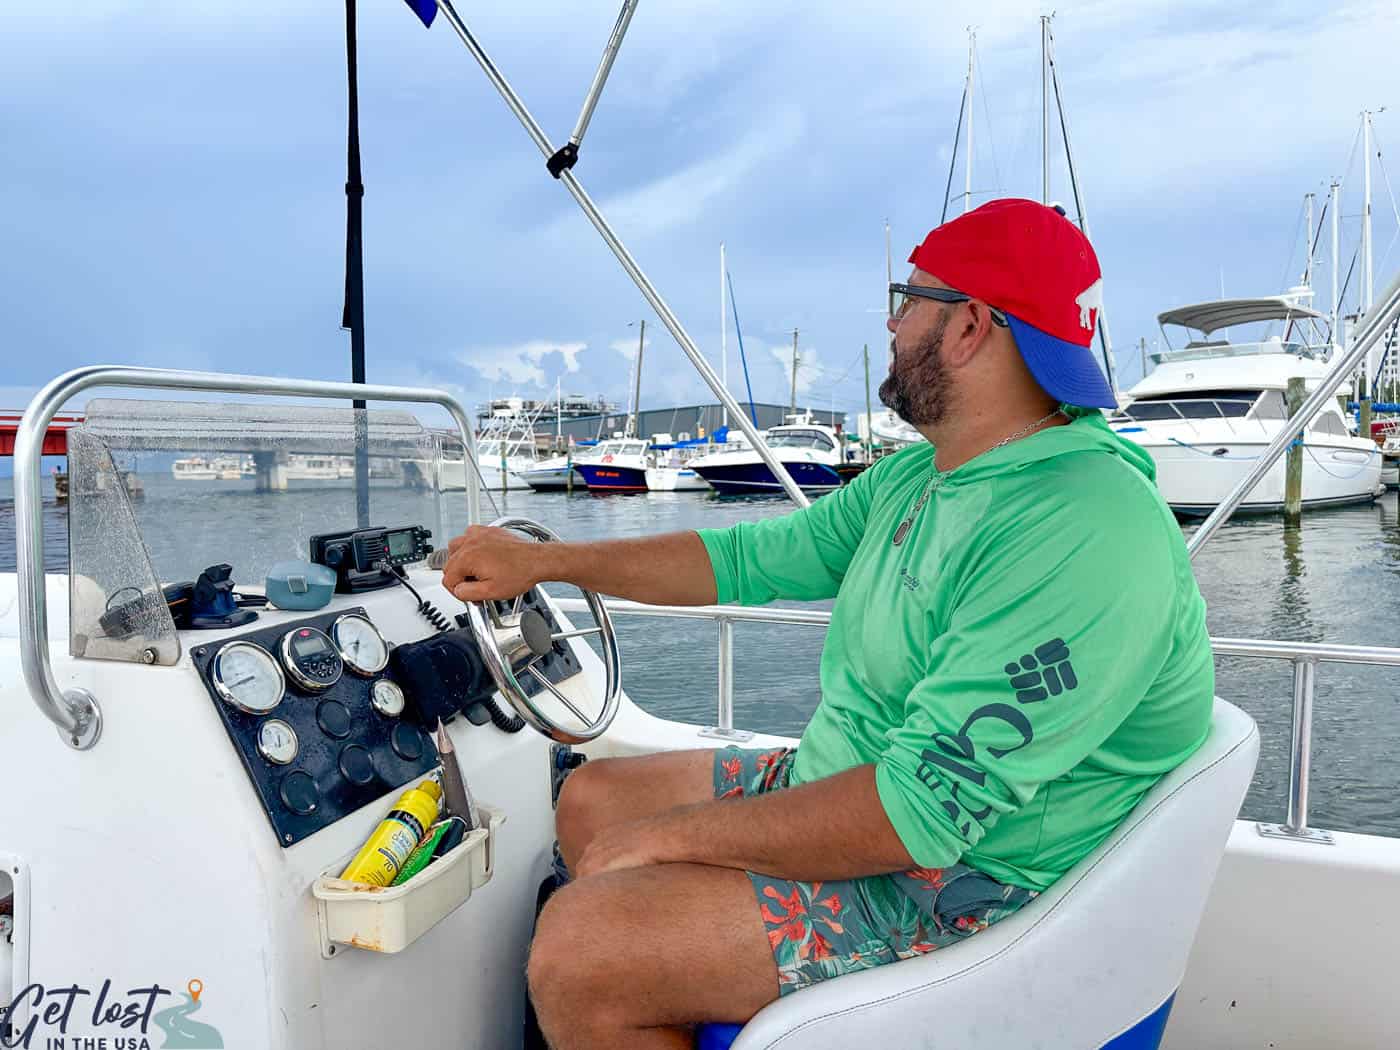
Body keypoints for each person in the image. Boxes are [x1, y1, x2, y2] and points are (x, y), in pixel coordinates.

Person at [440, 198, 1214, 1050]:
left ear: (968, 328)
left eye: (908, 299)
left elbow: (915, 816)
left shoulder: (1083, 531)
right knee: (593, 799)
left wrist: (668, 842)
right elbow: (742, 562)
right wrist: (551, 563)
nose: (891, 322)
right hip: (868, 781)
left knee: (583, 949)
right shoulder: (923, 477)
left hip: (973, 880)